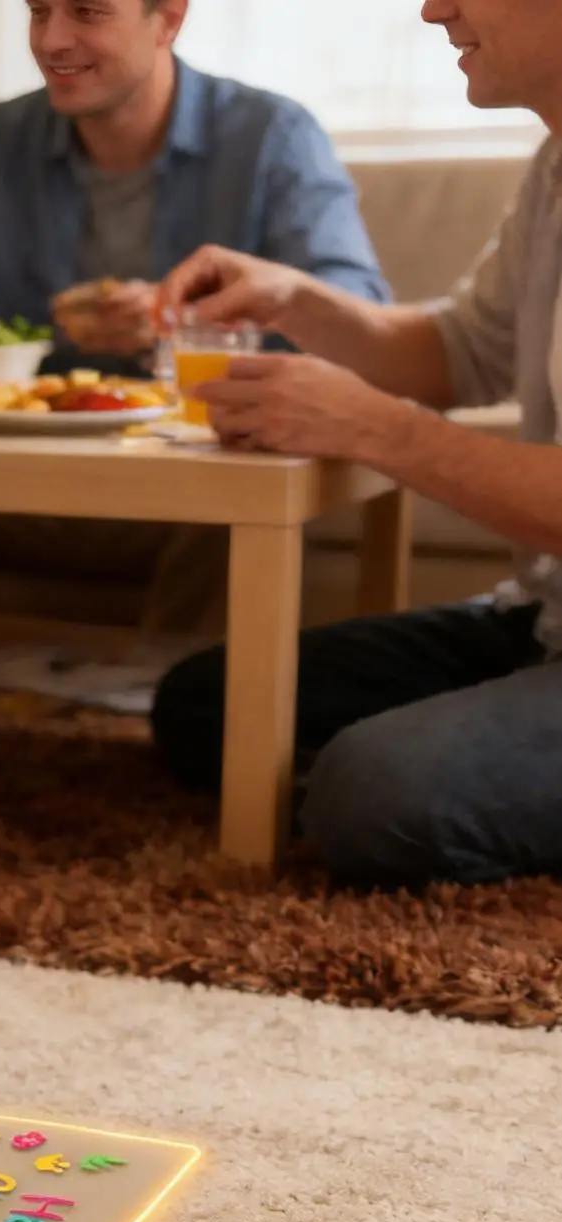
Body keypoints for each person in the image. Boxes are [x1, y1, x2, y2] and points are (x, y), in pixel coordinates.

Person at [0, 0, 387, 647]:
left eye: (86, 12)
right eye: (37, 12)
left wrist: (182, 320)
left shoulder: (272, 137)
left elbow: (358, 308)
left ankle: (182, 726)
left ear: (167, 20)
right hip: (27, 470)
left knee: (235, 489)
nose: (52, 40)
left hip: (192, 474)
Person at [149, 0, 562, 888]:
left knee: (371, 792)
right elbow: (460, 352)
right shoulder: (555, 163)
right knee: (209, 707)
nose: (432, 8)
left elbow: (411, 409)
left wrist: (370, 425)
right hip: (543, 617)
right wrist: (294, 299)